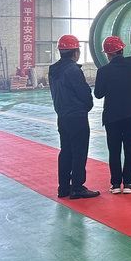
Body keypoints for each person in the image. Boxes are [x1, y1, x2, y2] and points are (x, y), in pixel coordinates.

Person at [93, 36, 131, 194]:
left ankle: (115, 184)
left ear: (108, 54)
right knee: (130, 148)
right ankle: (128, 183)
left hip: (112, 117)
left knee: (114, 151)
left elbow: (98, 94)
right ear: (122, 50)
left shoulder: (103, 71)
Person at [48, 34, 99, 199]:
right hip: (77, 117)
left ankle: (63, 188)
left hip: (62, 116)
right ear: (75, 52)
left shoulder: (53, 70)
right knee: (79, 152)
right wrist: (87, 106)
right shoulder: (73, 70)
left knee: (66, 151)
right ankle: (77, 187)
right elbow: (84, 93)